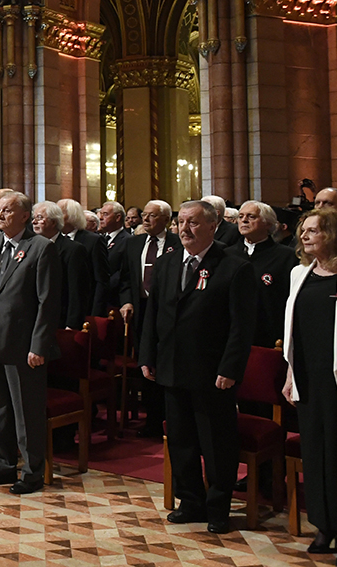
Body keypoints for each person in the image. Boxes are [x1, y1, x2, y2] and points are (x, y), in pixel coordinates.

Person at [139, 200, 256, 534]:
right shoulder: (166, 264)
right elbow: (153, 315)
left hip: (213, 372)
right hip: (172, 367)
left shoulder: (233, 265)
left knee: (216, 444)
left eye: (192, 223)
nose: (184, 229)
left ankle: (218, 508)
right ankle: (190, 502)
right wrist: (147, 355)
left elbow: (241, 326)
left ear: (212, 226)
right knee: (181, 441)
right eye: (181, 222)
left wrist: (230, 367)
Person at [0, 190, 60, 494]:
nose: (0, 215)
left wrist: (39, 345)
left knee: (26, 412)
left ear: (25, 216)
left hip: (24, 345)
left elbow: (47, 303)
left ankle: (33, 472)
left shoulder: (40, 248)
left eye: (8, 211)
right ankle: (2, 465)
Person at [282, 209, 337, 556]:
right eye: (303, 231)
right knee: (316, 453)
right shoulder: (299, 274)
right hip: (308, 377)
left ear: (331, 234)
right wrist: (290, 375)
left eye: (314, 231)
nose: (305, 237)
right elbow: (292, 331)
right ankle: (324, 525)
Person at [117, 199, 181, 438]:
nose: (146, 219)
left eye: (152, 216)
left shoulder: (177, 243)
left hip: (169, 312)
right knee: (146, 362)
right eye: (144, 214)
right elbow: (125, 278)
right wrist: (127, 300)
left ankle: (171, 419)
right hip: (142, 310)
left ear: (166, 219)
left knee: (168, 363)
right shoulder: (133, 244)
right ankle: (153, 420)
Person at [229, 200, 297, 347]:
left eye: (251, 216)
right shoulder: (226, 255)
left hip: (270, 337)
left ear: (268, 223)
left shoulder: (287, 257)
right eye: (241, 216)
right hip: (232, 336)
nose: (244, 220)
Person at [35, 201, 94, 332]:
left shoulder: (73, 249)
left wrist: (72, 324)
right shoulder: (31, 247)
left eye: (39, 218)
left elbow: (77, 291)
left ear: (54, 222)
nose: (34, 222)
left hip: (59, 320)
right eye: (34, 218)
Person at [58, 198, 111, 316]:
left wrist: (95, 313)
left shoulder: (93, 240)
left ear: (72, 216)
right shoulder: (56, 240)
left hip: (86, 306)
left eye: (60, 212)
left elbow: (101, 279)